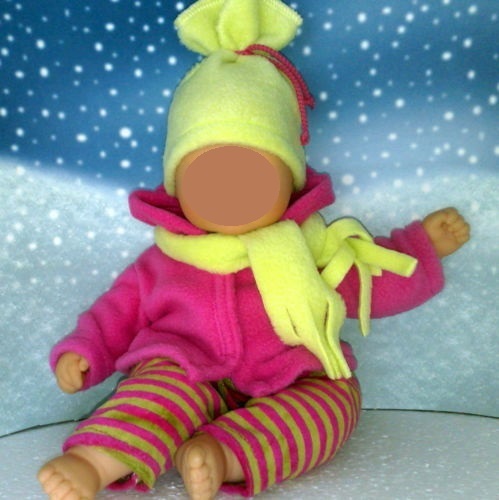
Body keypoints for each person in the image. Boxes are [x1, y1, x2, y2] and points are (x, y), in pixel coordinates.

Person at [38, 1, 470, 499]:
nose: (231, 192)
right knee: (155, 392)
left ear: (291, 181)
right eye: (209, 177)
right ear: (177, 185)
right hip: (187, 364)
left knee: (334, 403)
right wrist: (86, 351)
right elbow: (116, 311)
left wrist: (422, 246)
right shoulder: (167, 259)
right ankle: (95, 461)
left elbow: (368, 282)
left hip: (290, 373)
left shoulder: (309, 250)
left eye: (253, 175)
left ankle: (223, 456)